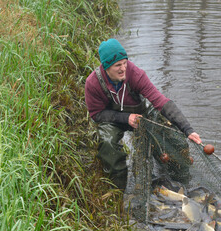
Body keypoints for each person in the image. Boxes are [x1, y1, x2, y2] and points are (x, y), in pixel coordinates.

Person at [85, 38, 202, 190]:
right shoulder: (92, 83)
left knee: (174, 141)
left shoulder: (134, 74)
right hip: (112, 120)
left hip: (140, 115)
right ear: (106, 67)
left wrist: (188, 129)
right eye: (117, 65)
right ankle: (118, 190)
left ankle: (183, 185)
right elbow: (96, 114)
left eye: (124, 63)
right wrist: (125, 118)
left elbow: (160, 101)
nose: (123, 69)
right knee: (108, 143)